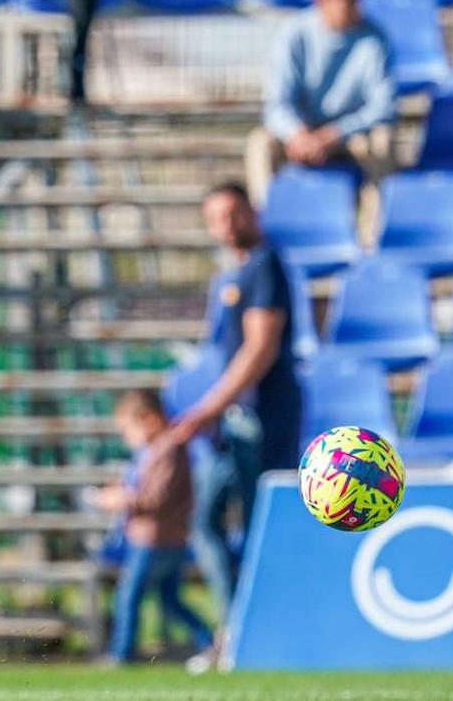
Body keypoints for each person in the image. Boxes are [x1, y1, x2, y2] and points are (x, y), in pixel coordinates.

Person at [164, 180, 302, 620]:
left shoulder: (264, 266)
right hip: (236, 418)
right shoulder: (233, 273)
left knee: (261, 522)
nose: (227, 224)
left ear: (253, 212)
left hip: (263, 416)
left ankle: (261, 624)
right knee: (210, 520)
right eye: (216, 218)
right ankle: (239, 623)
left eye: (234, 213)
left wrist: (207, 409)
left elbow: (259, 350)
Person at [245, 0, 396, 205]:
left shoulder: (375, 39)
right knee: (260, 145)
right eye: (347, 0)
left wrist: (334, 134)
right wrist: (297, 134)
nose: (355, 7)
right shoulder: (294, 34)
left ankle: (375, 236)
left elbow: (383, 107)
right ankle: (267, 225)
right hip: (301, 136)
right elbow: (277, 103)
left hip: (350, 136)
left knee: (382, 142)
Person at [99, 390, 211, 665]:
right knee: (170, 601)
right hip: (165, 540)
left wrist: (121, 500)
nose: (128, 439)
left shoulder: (167, 449)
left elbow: (155, 498)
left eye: (128, 430)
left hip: (155, 541)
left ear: (148, 419)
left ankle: (121, 654)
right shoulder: (156, 452)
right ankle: (210, 641)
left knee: (128, 598)